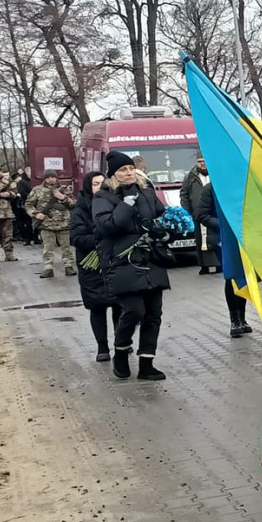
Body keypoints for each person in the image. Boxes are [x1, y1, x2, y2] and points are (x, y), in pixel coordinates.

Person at [93, 152, 172, 382]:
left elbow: (158, 216)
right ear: (113, 175)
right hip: (121, 263)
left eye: (130, 169)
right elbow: (108, 226)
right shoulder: (103, 198)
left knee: (153, 314)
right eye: (122, 170)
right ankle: (120, 350)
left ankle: (147, 363)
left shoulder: (146, 192)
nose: (128, 173)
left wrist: (164, 230)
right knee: (134, 311)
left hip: (150, 260)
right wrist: (127, 203)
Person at [189, 177, 253, 338]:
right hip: (221, 239)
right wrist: (224, 226)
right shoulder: (211, 188)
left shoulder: (242, 185)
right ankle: (234, 319)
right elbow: (202, 215)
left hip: (241, 236)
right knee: (231, 276)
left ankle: (242, 318)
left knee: (243, 277)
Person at [69, 171, 119, 365]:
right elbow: (77, 237)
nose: (100, 186)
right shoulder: (80, 210)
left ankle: (120, 342)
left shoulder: (113, 203)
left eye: (102, 183)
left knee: (119, 305)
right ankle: (102, 347)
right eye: (96, 183)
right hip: (91, 266)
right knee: (97, 307)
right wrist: (101, 240)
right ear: (88, 186)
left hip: (113, 261)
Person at [27, 170, 76, 278]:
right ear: (44, 178)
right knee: (48, 248)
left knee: (66, 247)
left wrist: (63, 198)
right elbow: (28, 205)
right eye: (48, 177)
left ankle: (68, 266)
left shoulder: (65, 190)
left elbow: (73, 204)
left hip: (64, 223)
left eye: (53, 177)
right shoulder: (37, 190)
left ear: (56, 178)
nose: (50, 179)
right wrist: (35, 214)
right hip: (47, 224)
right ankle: (48, 267)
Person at [182, 154, 219, 274]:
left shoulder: (216, 174)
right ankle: (204, 265)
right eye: (199, 161)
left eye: (204, 161)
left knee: (215, 239)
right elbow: (184, 194)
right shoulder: (190, 177)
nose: (202, 164)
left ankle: (218, 264)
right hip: (197, 214)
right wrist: (188, 211)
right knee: (200, 241)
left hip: (213, 214)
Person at [12, 169, 36, 247]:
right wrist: (33, 196)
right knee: (28, 222)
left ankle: (36, 238)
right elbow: (22, 193)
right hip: (27, 203)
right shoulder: (22, 182)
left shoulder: (34, 181)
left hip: (37, 203)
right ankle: (27, 238)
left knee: (37, 221)